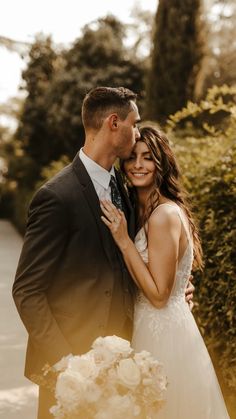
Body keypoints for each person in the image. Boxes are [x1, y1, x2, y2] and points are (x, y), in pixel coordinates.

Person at [12, 88, 194, 419]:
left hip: (125, 367)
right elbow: (27, 291)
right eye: (134, 124)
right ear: (114, 123)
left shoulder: (126, 189)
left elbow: (139, 257)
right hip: (70, 374)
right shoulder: (56, 196)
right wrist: (68, 364)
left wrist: (178, 288)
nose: (138, 132)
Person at [101, 124, 229, 419]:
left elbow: (159, 295)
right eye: (132, 157)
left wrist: (123, 241)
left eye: (147, 157)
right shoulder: (142, 209)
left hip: (164, 336)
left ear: (162, 162)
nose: (138, 165)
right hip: (151, 326)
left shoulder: (164, 215)